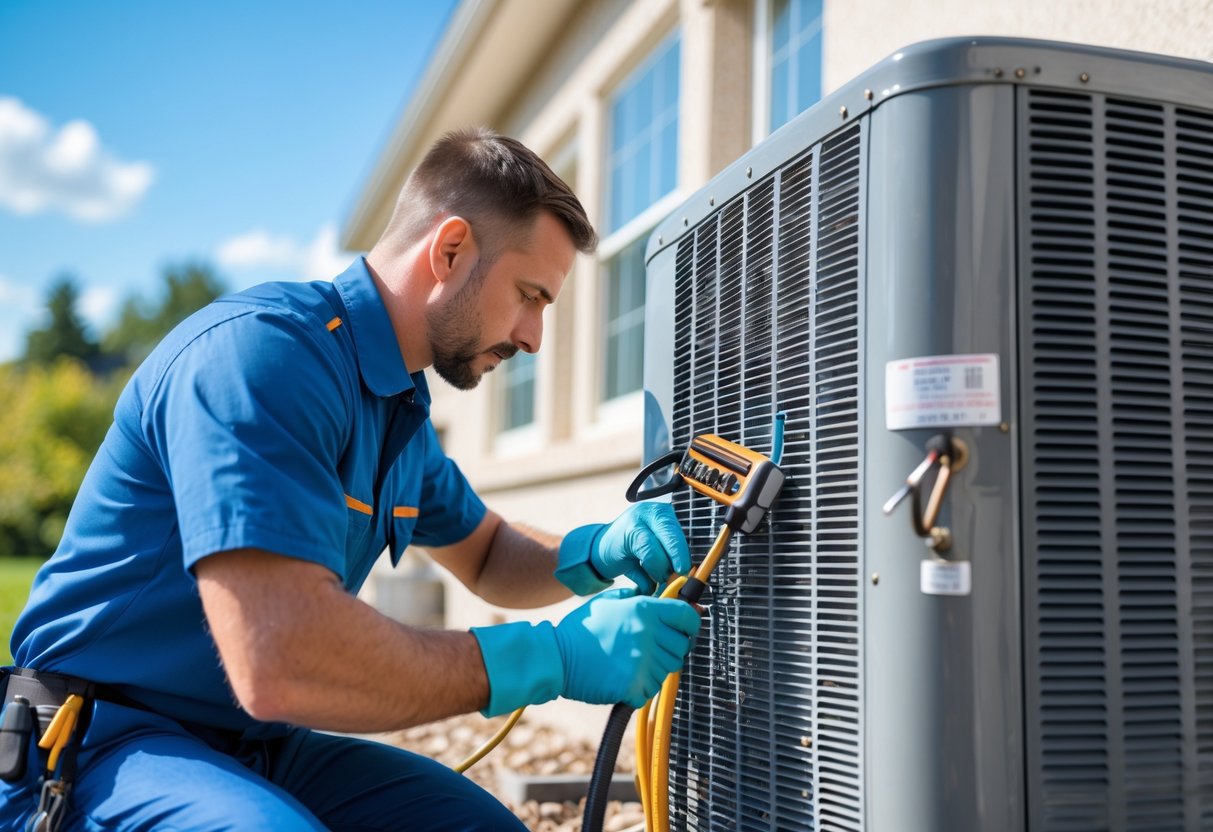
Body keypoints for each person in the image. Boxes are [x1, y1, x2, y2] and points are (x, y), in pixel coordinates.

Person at [0, 127, 701, 831]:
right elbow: (280, 659)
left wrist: (595, 551)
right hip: (99, 740)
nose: (532, 337)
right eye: (529, 295)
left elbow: (488, 553)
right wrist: (550, 657)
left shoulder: (395, 410)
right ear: (450, 250)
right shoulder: (263, 358)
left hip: (254, 744)